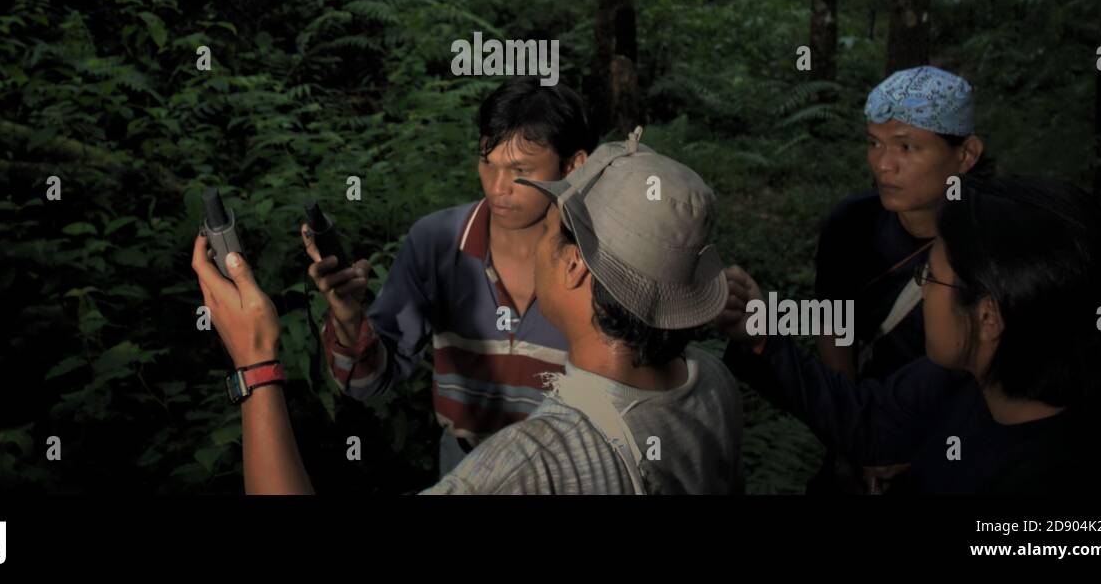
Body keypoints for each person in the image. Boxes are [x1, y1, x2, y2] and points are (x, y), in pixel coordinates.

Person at [191, 128, 745, 494]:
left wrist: (257, 363)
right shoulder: (712, 385)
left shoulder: (529, 468)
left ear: (575, 267)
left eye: (550, 229)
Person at [720, 177, 1101, 494]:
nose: (922, 288)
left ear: (988, 317)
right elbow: (868, 419)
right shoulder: (963, 380)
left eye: (930, 275)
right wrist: (761, 331)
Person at [303, 77, 594, 477]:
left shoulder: (603, 255)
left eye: (520, 170)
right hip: (466, 466)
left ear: (573, 166)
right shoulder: (436, 243)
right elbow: (368, 383)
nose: (497, 188)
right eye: (487, 163)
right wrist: (351, 323)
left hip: (575, 473)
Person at [810, 65, 986, 492]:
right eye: (874, 143)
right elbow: (835, 331)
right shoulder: (851, 225)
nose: (884, 164)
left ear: (965, 154)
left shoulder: (994, 239)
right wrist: (853, 440)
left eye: (906, 146)